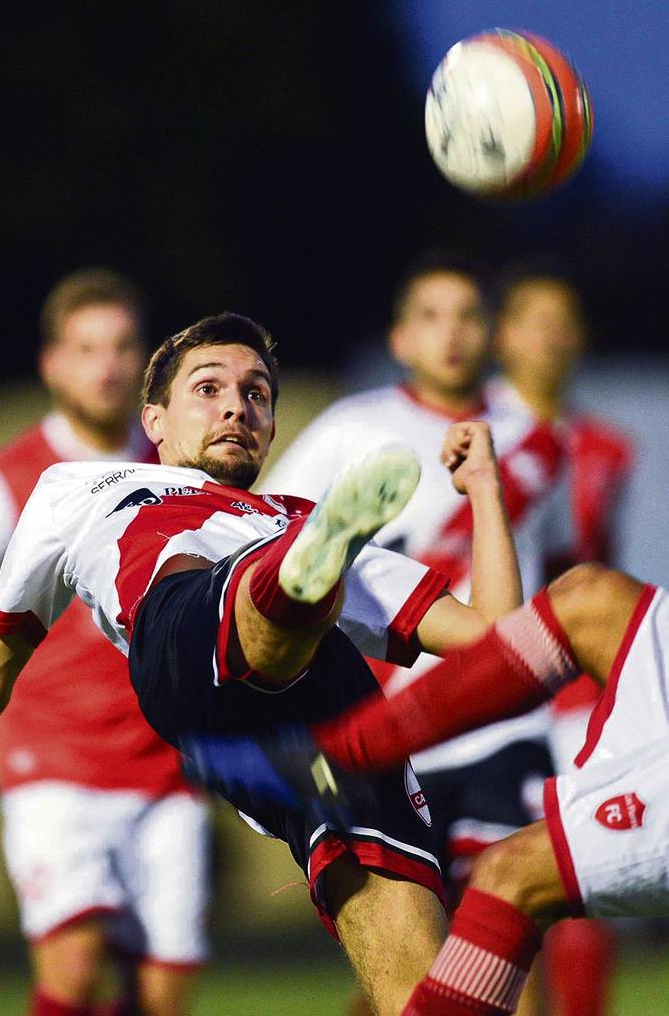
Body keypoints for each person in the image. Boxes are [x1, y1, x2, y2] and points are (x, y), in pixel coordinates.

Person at [0, 312, 523, 1016]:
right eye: (209, 387)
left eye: (258, 393)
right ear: (155, 420)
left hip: (326, 734)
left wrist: (484, 487)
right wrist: (307, 557)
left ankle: (297, 612)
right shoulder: (75, 490)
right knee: (230, 572)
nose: (237, 404)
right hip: (185, 636)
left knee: (436, 995)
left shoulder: (297, 516)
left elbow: (498, 641)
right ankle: (287, 596)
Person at [262, 251, 570, 1014]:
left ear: (491, 332)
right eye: (432, 317)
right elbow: (268, 539)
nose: (453, 333)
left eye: (468, 315)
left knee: (511, 938)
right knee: (405, 965)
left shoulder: (533, 435)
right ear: (401, 338)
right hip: (396, 723)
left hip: (506, 721)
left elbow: (560, 565)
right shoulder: (351, 428)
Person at [242, 562, 666, 1016]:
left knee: (513, 877)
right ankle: (337, 755)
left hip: (496, 750)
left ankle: (336, 756)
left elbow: (487, 625)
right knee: (590, 595)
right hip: (418, 752)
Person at [0, 269, 211, 1016]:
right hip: (56, 766)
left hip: (167, 769)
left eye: (121, 346)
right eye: (85, 348)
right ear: (52, 363)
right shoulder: (6, 482)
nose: (105, 366)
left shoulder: (179, 471)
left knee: (162, 997)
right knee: (72, 971)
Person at [491, 263, 635, 1016]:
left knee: (581, 882)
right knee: (461, 902)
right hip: (482, 689)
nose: (550, 334)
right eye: (533, 317)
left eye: (563, 319)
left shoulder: (608, 449)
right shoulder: (471, 433)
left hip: (573, 697)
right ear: (503, 335)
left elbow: (599, 569)